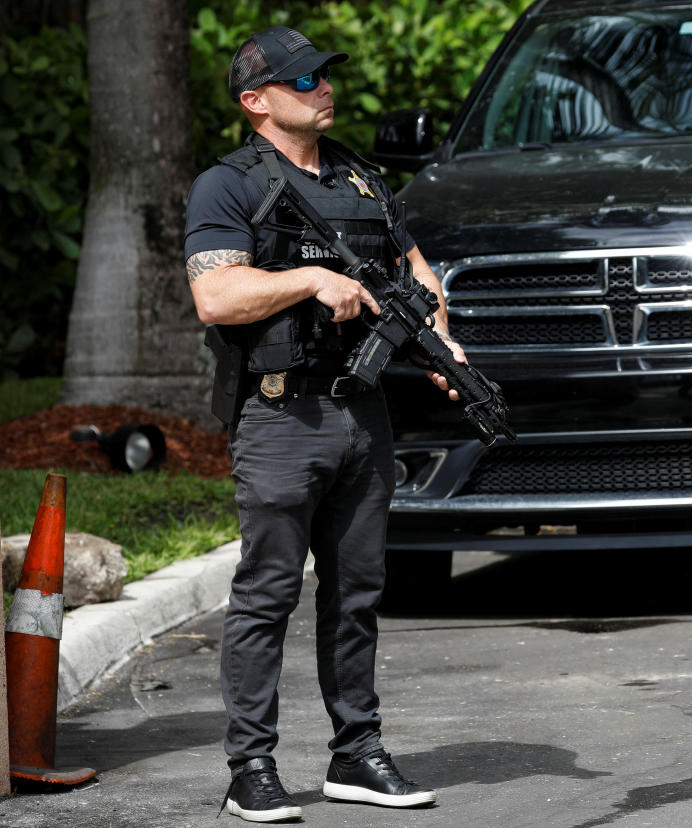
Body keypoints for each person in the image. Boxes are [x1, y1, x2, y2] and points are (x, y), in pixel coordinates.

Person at [183, 26, 463, 823]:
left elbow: (416, 272)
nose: (322, 90)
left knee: (358, 592)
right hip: (281, 415)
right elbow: (215, 297)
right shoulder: (226, 185)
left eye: (323, 77)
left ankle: (357, 753)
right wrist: (309, 277)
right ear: (255, 101)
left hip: (362, 412)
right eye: (303, 82)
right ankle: (251, 767)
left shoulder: (363, 180)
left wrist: (447, 346)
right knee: (269, 590)